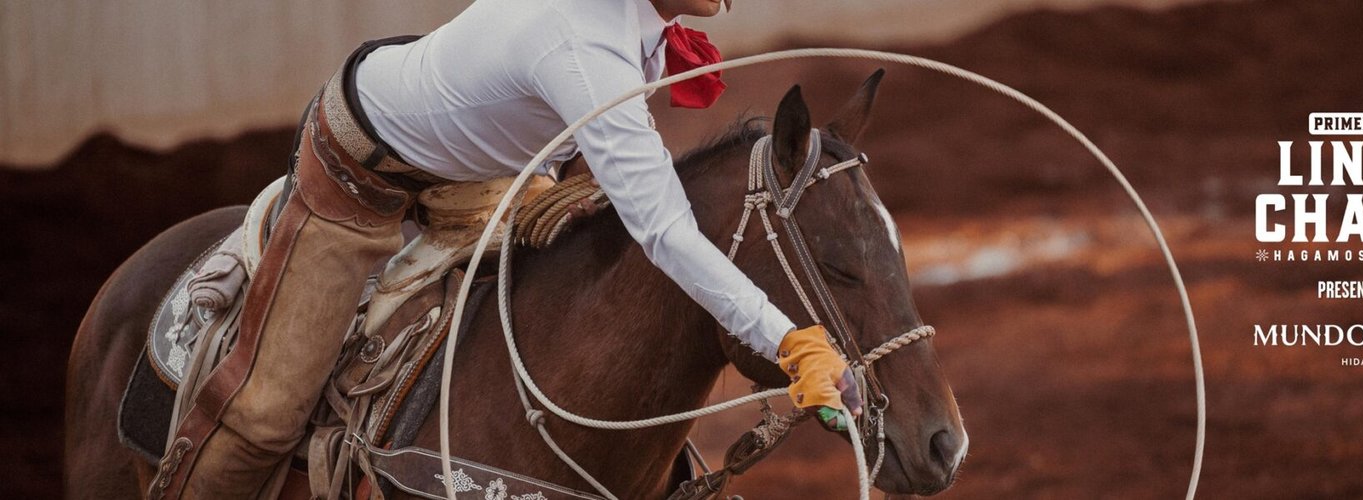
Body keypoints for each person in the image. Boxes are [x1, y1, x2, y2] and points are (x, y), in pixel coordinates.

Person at [151, 0, 861, 497]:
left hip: (492, 167)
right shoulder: (585, 42)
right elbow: (664, 229)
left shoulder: (618, 29)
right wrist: (789, 341)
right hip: (360, 173)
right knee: (265, 411)